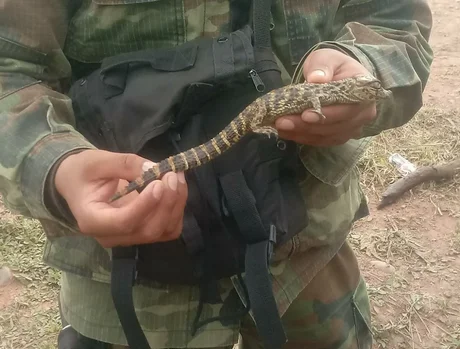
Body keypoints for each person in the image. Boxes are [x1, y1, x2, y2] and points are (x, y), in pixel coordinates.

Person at [0, 1, 432, 348]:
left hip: (305, 240)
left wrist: (363, 62)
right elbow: (10, 66)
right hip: (133, 274)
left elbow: (393, 21)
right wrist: (54, 162)